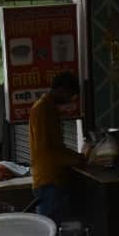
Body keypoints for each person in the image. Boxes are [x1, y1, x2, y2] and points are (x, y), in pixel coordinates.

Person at [28, 72, 84, 222]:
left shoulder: (50, 108)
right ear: (61, 89)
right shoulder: (42, 109)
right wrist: (76, 159)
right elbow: (47, 150)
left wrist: (76, 157)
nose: (68, 99)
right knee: (52, 230)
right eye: (69, 94)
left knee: (57, 228)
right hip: (48, 181)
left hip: (54, 179)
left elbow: (57, 147)